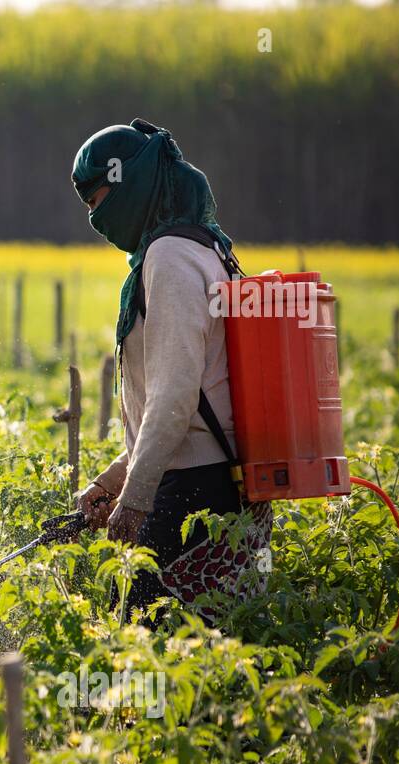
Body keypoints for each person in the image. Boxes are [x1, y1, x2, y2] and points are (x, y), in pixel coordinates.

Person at [70, 119, 272, 622]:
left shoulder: (170, 258)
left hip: (196, 493)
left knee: (151, 642)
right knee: (208, 647)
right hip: (218, 484)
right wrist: (111, 482)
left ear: (131, 187)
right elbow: (189, 401)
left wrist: (135, 500)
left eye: (99, 203)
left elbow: (177, 400)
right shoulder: (202, 247)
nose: (96, 220)